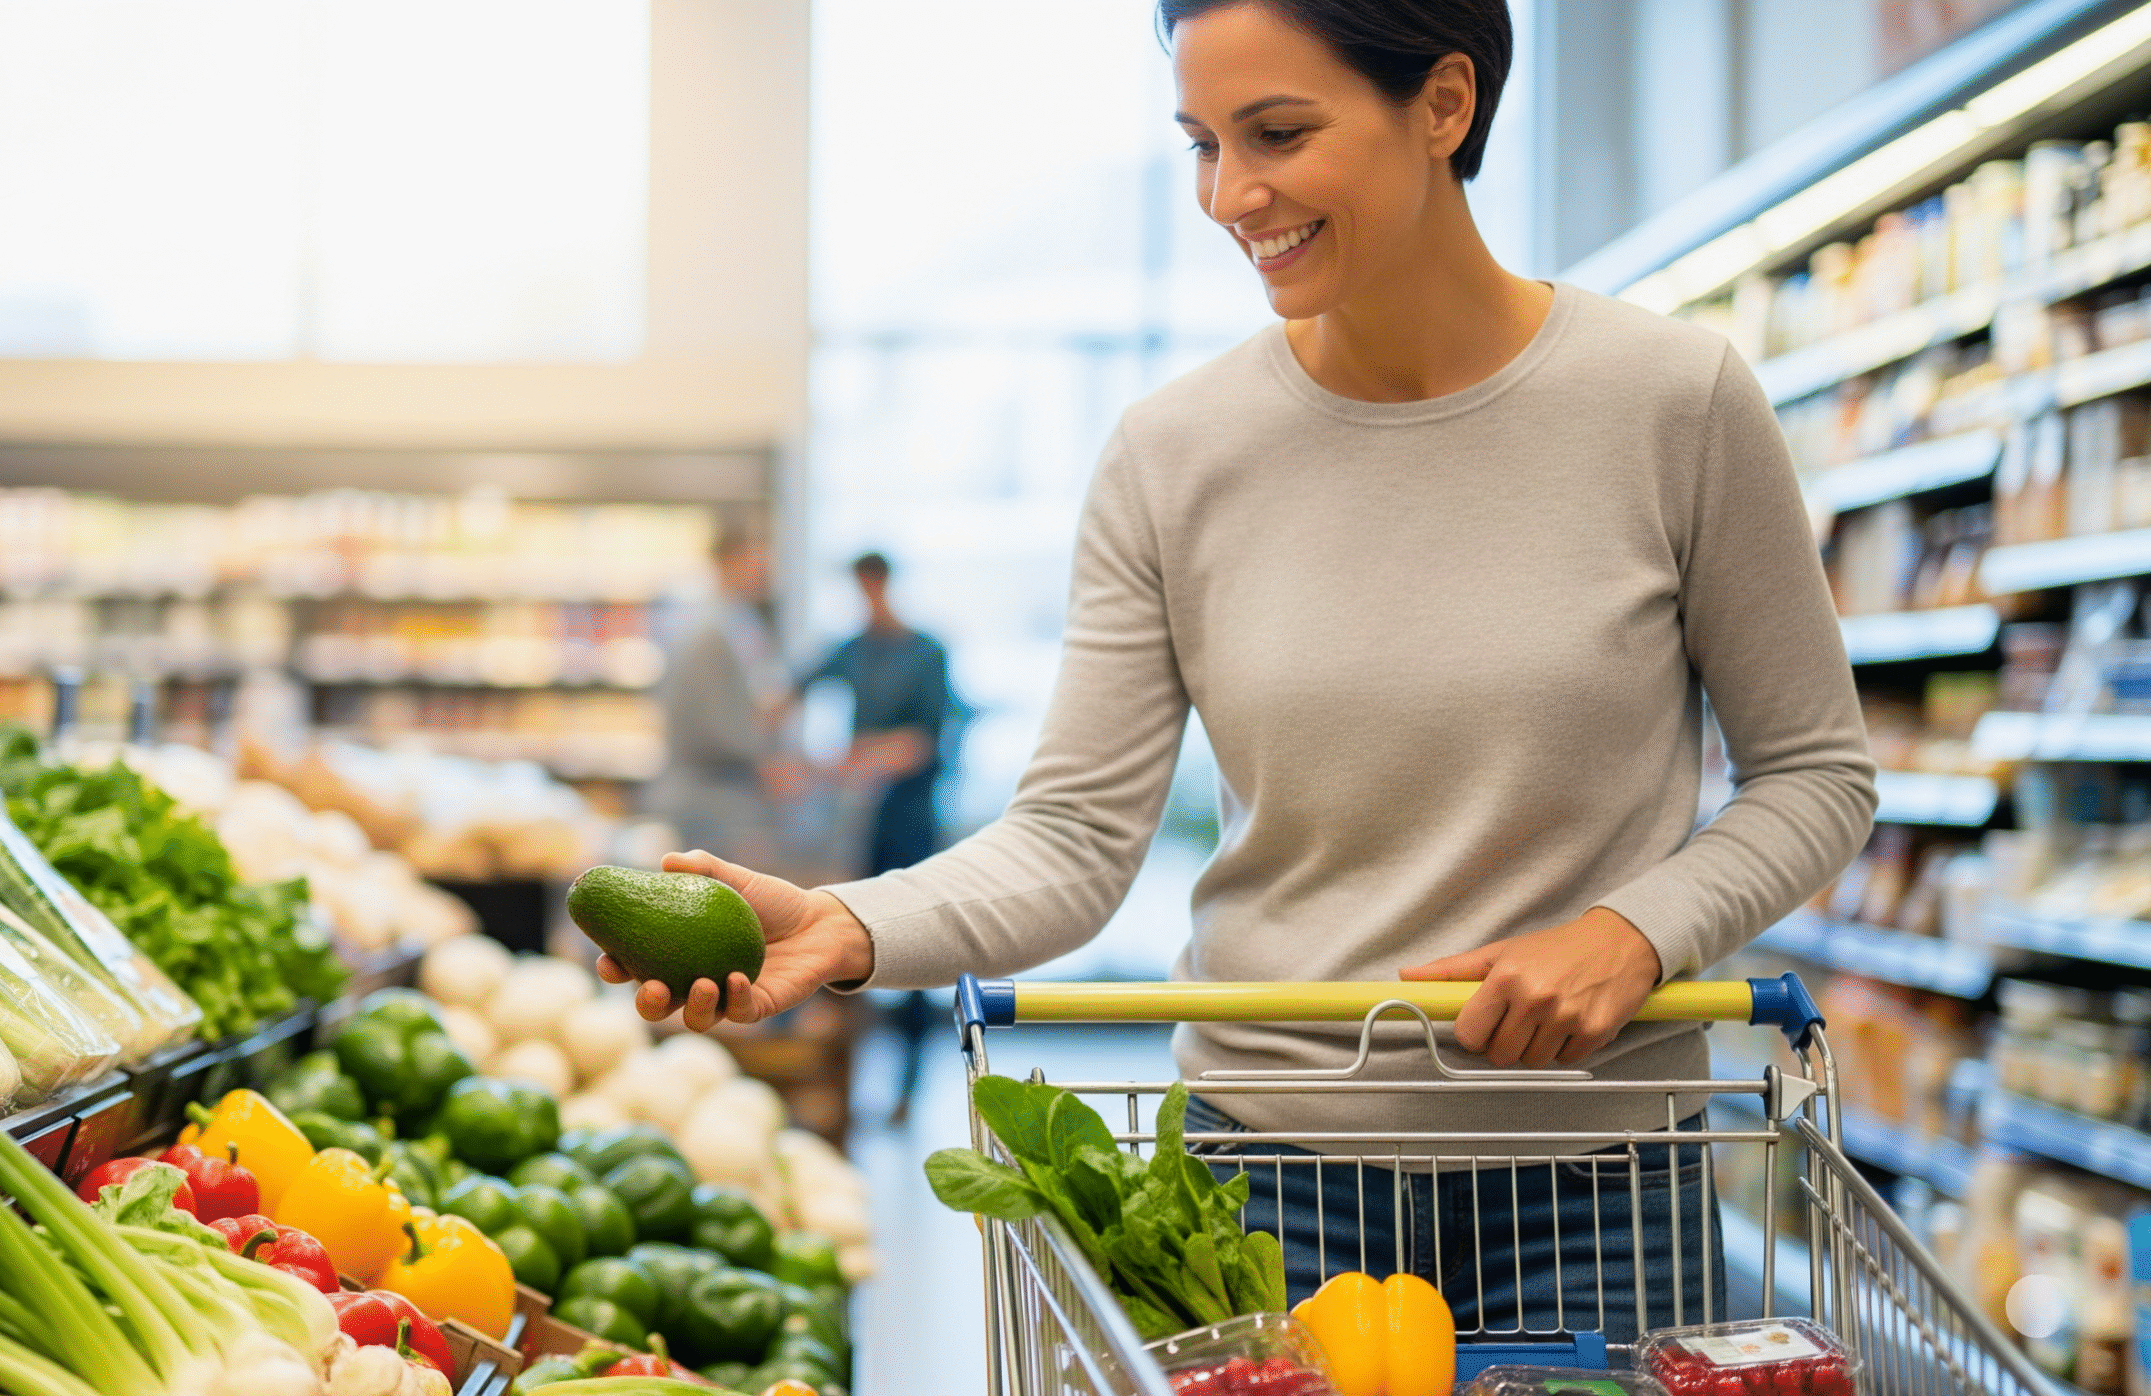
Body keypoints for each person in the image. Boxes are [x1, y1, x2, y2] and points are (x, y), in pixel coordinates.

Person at [603, 0, 1874, 1334]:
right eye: (1202, 142)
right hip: (1264, 1190)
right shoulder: (1175, 455)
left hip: (1606, 1187)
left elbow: (1815, 777)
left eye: (1276, 133)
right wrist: (853, 925)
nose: (1228, 194)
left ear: (1445, 104)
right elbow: (1076, 834)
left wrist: (1633, 931)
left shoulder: (1675, 404)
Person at [795, 551, 958, 1123]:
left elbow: (929, 742)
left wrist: (857, 758)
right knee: (847, 947)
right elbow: (791, 690)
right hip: (857, 825)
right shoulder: (850, 648)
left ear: (885, 582)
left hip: (912, 820)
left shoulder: (926, 652)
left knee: (918, 952)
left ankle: (908, 1089)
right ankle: (850, 1085)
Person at [641, 526, 789, 870]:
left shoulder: (737, 621)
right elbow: (712, 725)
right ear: (727, 561)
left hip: (723, 791)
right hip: (709, 795)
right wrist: (764, 761)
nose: (764, 569)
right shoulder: (708, 628)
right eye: (754, 559)